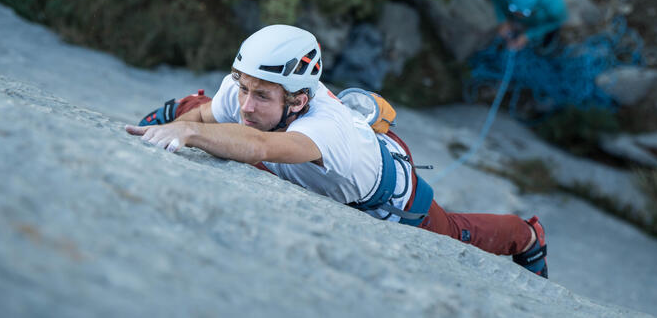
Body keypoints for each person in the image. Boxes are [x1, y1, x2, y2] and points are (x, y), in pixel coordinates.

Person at [125, 25, 548, 277]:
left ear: (298, 99)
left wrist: (189, 134)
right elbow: (211, 119)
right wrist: (175, 124)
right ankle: (176, 104)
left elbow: (257, 143)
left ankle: (528, 235)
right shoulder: (253, 88)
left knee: (458, 233)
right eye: (244, 88)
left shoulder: (323, 128)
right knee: (204, 114)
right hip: (314, 151)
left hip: (392, 199)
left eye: (261, 96)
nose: (247, 103)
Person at [486, 0, 568, 52]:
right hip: (530, 15)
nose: (518, 16)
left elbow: (557, 22)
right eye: (513, 9)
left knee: (546, 44)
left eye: (525, 13)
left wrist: (528, 36)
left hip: (540, 21)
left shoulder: (555, 7)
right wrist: (502, 20)